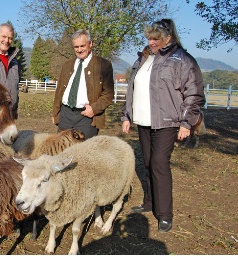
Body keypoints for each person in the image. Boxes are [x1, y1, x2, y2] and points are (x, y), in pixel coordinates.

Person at [121, 18, 205, 233]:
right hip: (143, 120)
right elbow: (133, 89)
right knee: (148, 162)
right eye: (149, 37)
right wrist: (127, 116)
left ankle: (165, 213)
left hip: (167, 121)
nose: (152, 42)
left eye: (156, 38)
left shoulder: (182, 59)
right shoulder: (143, 58)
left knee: (159, 163)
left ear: (168, 38)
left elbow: (194, 93)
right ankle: (150, 203)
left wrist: (187, 122)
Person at [52, 29, 114, 139]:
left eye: (82, 46)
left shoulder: (103, 65)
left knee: (84, 153)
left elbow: (108, 94)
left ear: (90, 44)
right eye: (76, 47)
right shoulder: (67, 65)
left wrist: (94, 109)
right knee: (62, 152)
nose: (79, 50)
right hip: (65, 114)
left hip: (86, 117)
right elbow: (59, 92)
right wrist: (55, 113)